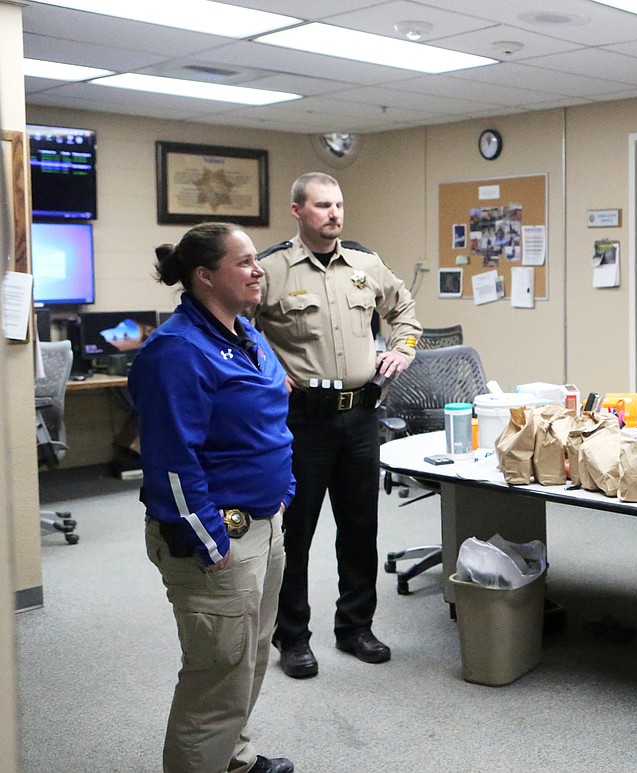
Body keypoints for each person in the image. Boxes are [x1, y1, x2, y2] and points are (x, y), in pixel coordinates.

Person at [130, 223, 296, 773]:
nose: (258, 269)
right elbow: (173, 463)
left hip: (264, 523)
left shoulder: (244, 332)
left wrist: (281, 491)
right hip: (217, 535)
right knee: (216, 672)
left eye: (257, 260)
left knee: (249, 658)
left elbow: (268, 422)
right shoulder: (177, 351)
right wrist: (208, 538)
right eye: (245, 261)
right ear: (205, 276)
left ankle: (234, 760)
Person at [253, 172, 422, 679]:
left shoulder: (365, 266)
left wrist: (403, 349)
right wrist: (266, 369)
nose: (334, 214)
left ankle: (355, 628)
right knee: (296, 534)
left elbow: (405, 309)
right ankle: (293, 637)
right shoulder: (271, 269)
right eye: (323, 206)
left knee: (359, 529)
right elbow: (236, 325)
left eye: (339, 205)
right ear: (297, 211)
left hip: (361, 417)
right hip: (302, 422)